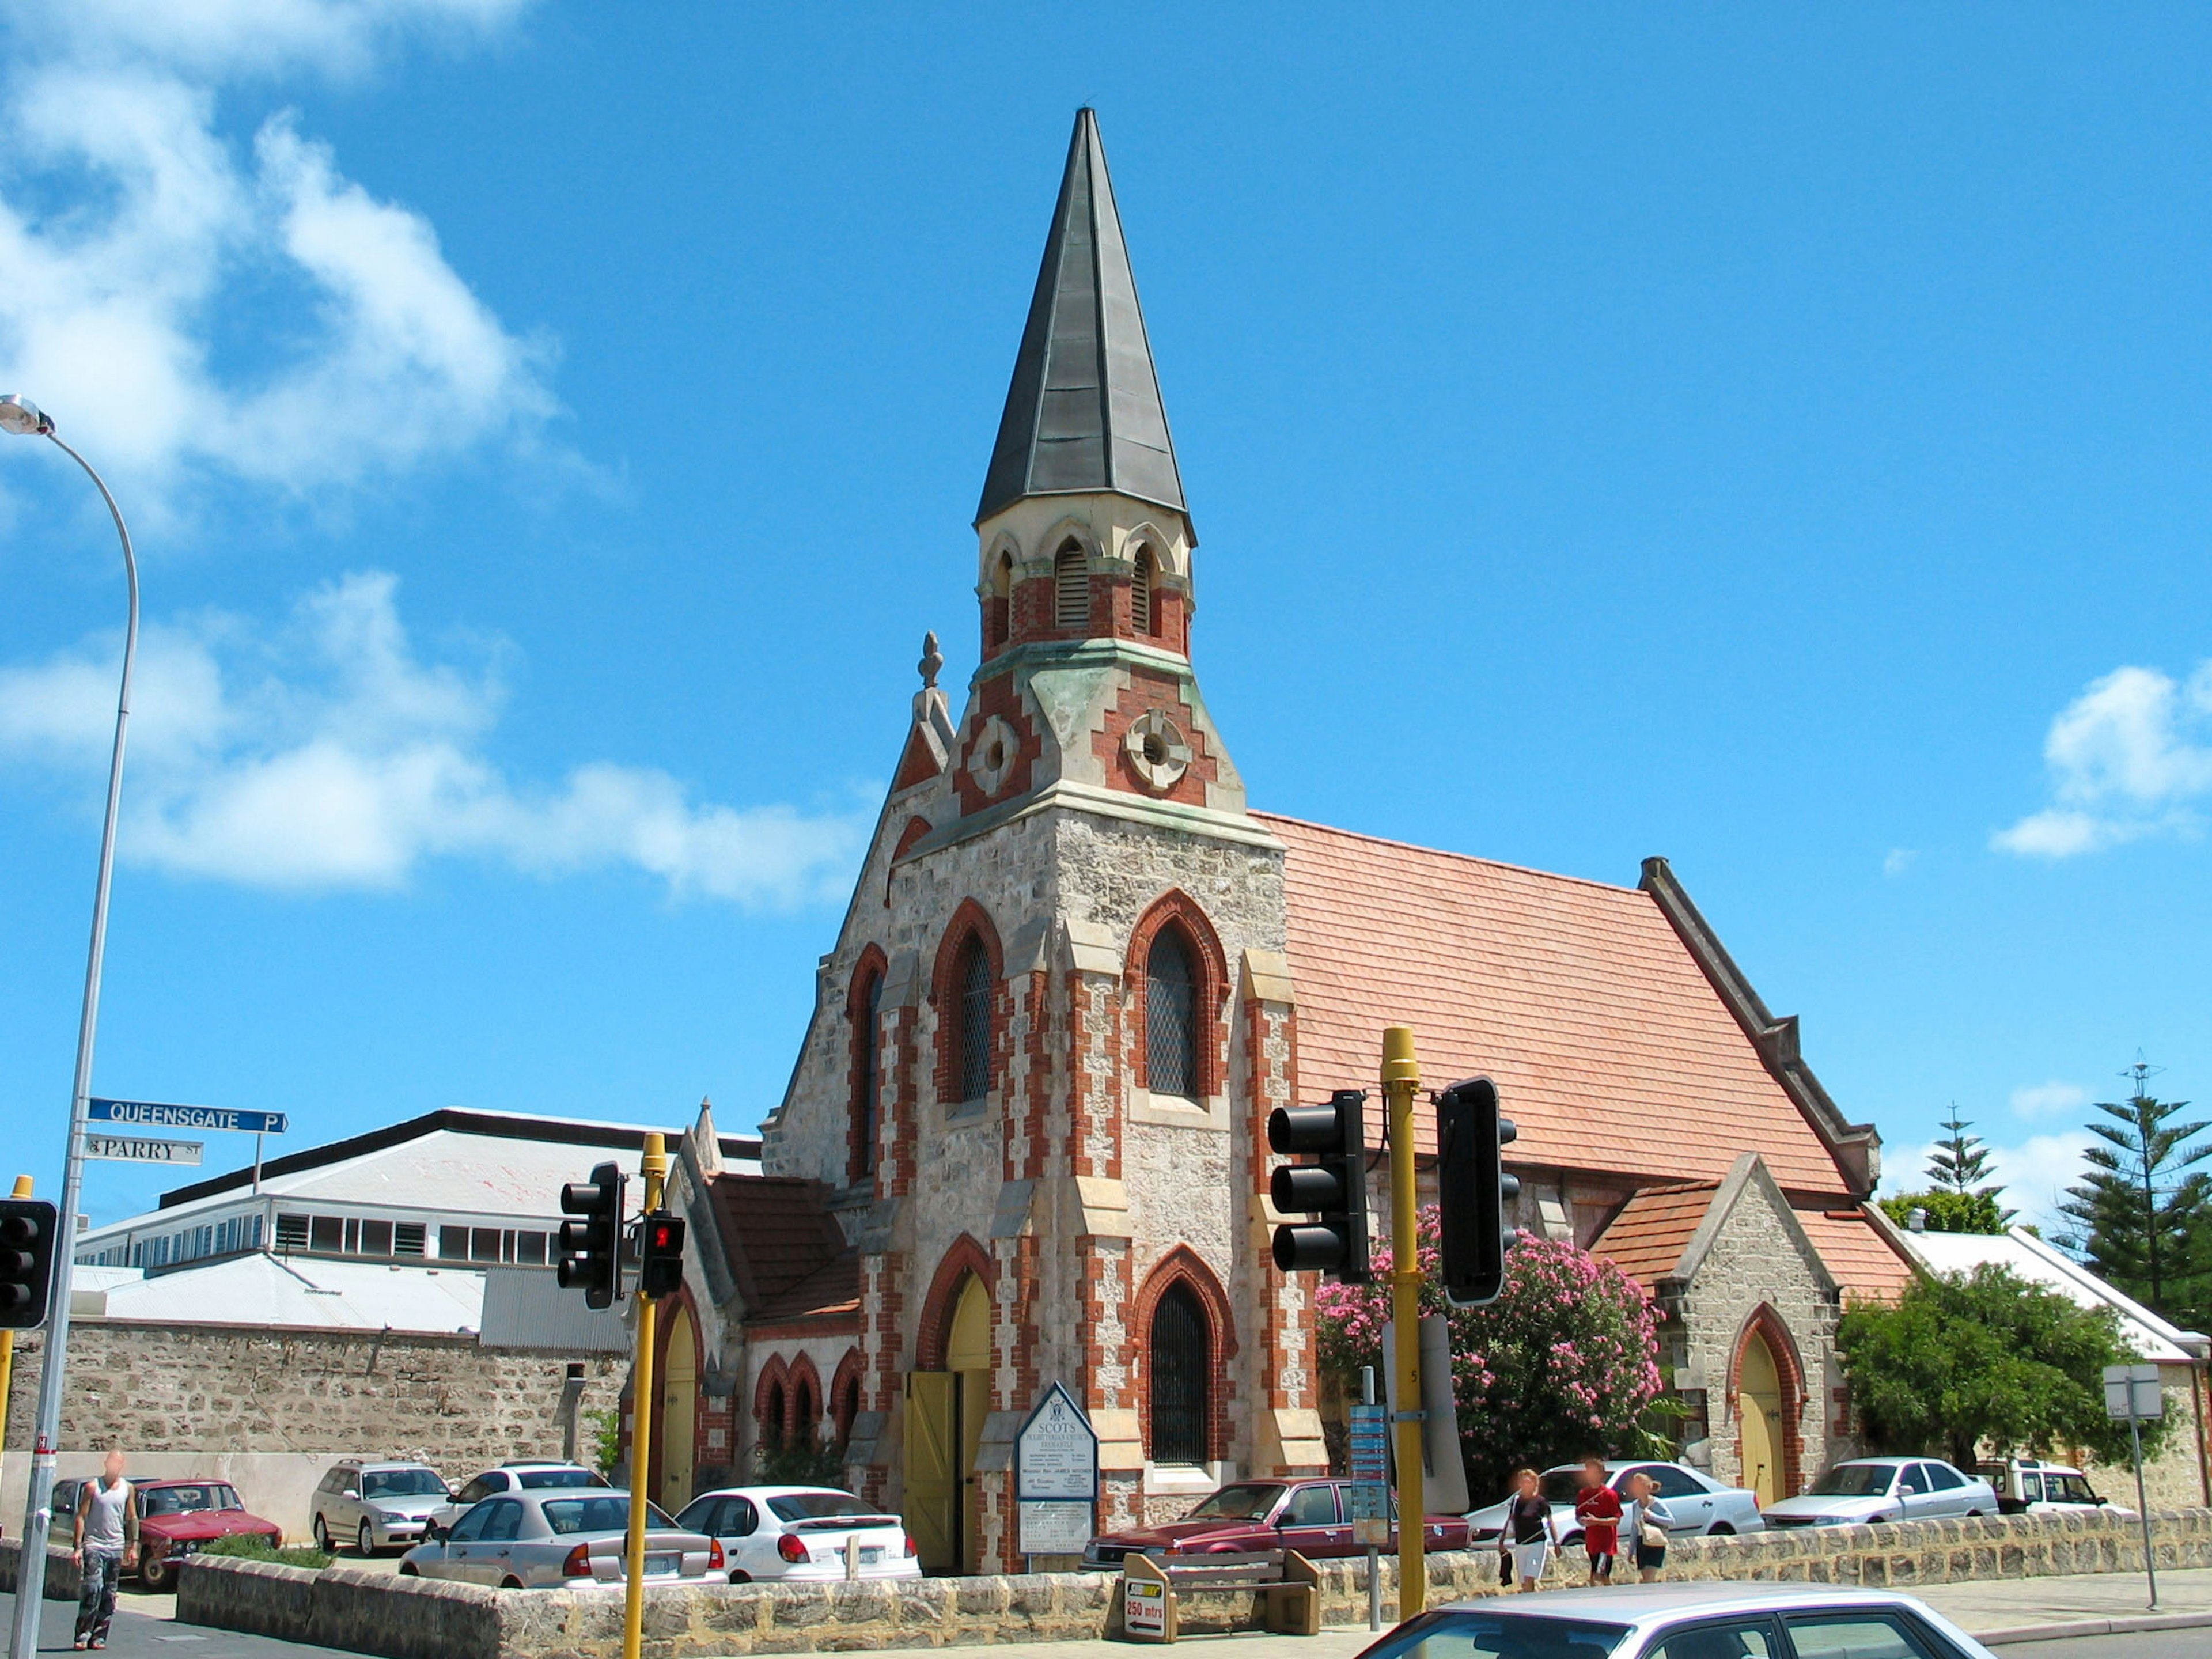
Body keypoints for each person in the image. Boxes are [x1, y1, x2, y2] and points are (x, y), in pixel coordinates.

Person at [73, 1449, 138, 1650]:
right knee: (93, 1588)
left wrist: (134, 1545)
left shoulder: (128, 1488)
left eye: (118, 1463)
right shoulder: (93, 1487)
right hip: (94, 1545)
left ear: (122, 1465)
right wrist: (78, 1547)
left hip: (116, 1547)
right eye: (112, 1462)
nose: (114, 1466)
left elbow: (132, 1517)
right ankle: (83, 1633)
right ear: (106, 1463)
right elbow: (81, 1517)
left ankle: (99, 1636)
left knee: (109, 1593)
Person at [1503, 1467, 1556, 1592]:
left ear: (1535, 1484)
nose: (1526, 1485)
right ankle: (1529, 1598)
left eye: (1529, 1482)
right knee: (1523, 1581)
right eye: (1523, 1482)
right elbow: (1510, 1519)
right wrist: (1502, 1541)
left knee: (1529, 1577)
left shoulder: (1540, 1502)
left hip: (1537, 1543)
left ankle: (1529, 1599)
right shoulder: (1516, 1501)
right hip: (1521, 1543)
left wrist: (1557, 1542)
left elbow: (1550, 1521)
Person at [1574, 1457, 1622, 1586]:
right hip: (1592, 1540)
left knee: (1602, 1575)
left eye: (1594, 1472)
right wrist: (1583, 1521)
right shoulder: (1584, 1494)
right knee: (1593, 1573)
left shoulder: (1609, 1494)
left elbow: (1616, 1520)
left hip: (1606, 1542)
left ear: (1601, 1474)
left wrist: (1598, 1521)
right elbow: (1579, 1515)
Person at [1624, 1469, 1676, 1583]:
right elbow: (1634, 1528)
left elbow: (1671, 1521)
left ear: (1647, 1488)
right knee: (1646, 1578)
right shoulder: (1635, 1505)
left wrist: (1652, 1516)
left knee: (1650, 1577)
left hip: (1655, 1542)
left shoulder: (1657, 1503)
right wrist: (1631, 1551)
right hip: (1642, 1543)